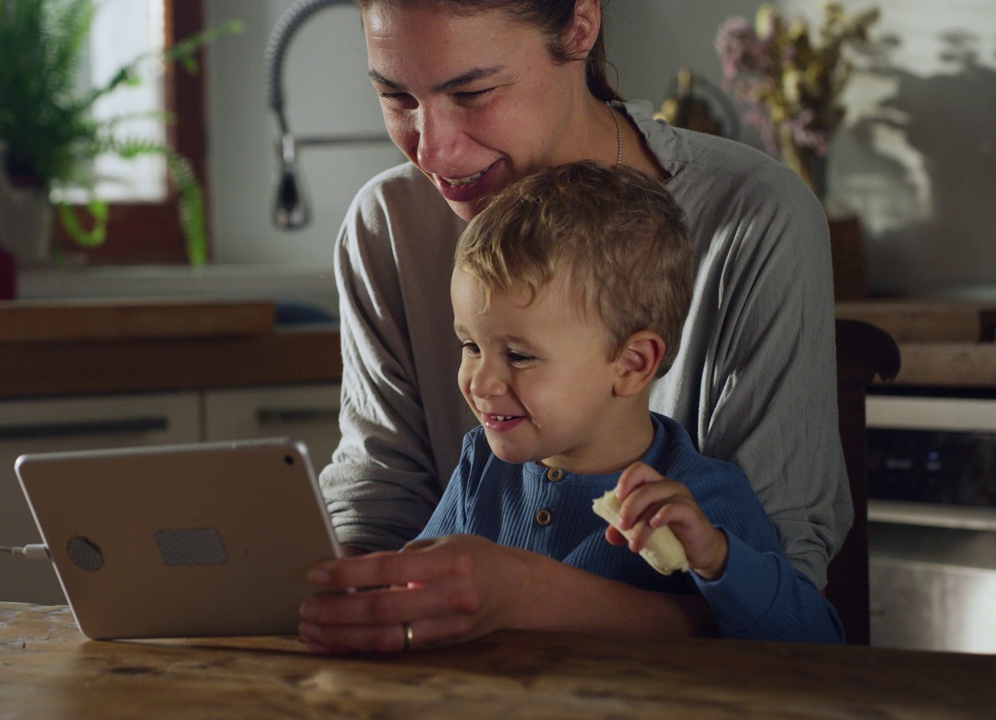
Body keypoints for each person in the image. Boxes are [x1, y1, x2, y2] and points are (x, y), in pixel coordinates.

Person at [310, 0, 847, 650]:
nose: (434, 149)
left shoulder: (757, 215)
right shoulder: (386, 224)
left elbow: (782, 601)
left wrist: (522, 594)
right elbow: (379, 506)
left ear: (580, 27)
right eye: (396, 98)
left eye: (473, 92)